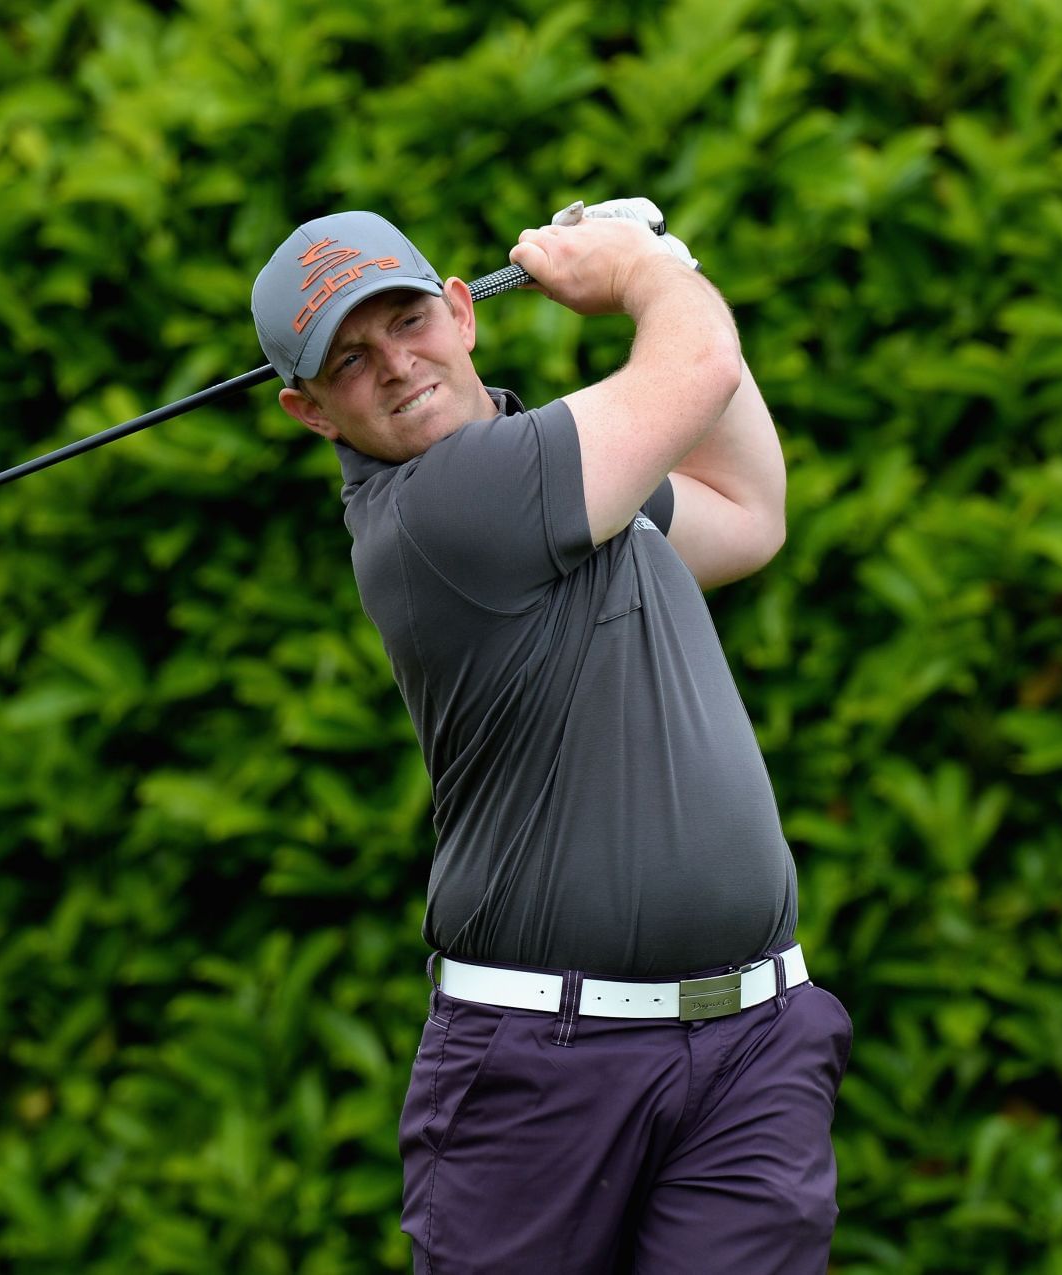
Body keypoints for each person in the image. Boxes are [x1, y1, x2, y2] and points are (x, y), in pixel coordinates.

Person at [249, 205, 852, 1273]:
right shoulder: (449, 508)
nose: (393, 365)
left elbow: (746, 510)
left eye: (404, 323)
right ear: (310, 412)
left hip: (753, 1044)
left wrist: (670, 271)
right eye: (348, 360)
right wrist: (640, 269)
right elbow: (699, 359)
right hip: (547, 1067)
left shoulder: (578, 489)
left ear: (461, 313)